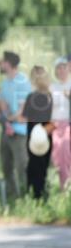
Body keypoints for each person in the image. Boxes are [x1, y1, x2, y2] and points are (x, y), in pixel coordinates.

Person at [0, 51, 32, 198]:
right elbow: (3, 105)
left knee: (22, 167)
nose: (0, 64)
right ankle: (15, 198)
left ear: (8, 63)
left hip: (20, 132)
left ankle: (30, 198)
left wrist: (8, 117)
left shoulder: (22, 82)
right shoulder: (5, 83)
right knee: (6, 166)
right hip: (7, 130)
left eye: (2, 61)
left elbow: (23, 111)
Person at [15, 66, 53, 200]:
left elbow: (22, 119)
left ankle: (35, 199)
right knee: (43, 170)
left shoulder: (31, 97)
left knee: (32, 170)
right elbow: (54, 121)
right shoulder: (50, 97)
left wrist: (19, 111)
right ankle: (44, 197)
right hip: (47, 137)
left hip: (33, 138)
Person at [51, 57, 71, 191]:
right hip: (54, 125)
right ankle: (63, 188)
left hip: (68, 124)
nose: (61, 70)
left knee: (67, 152)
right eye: (58, 68)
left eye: (63, 67)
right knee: (57, 157)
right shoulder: (52, 87)